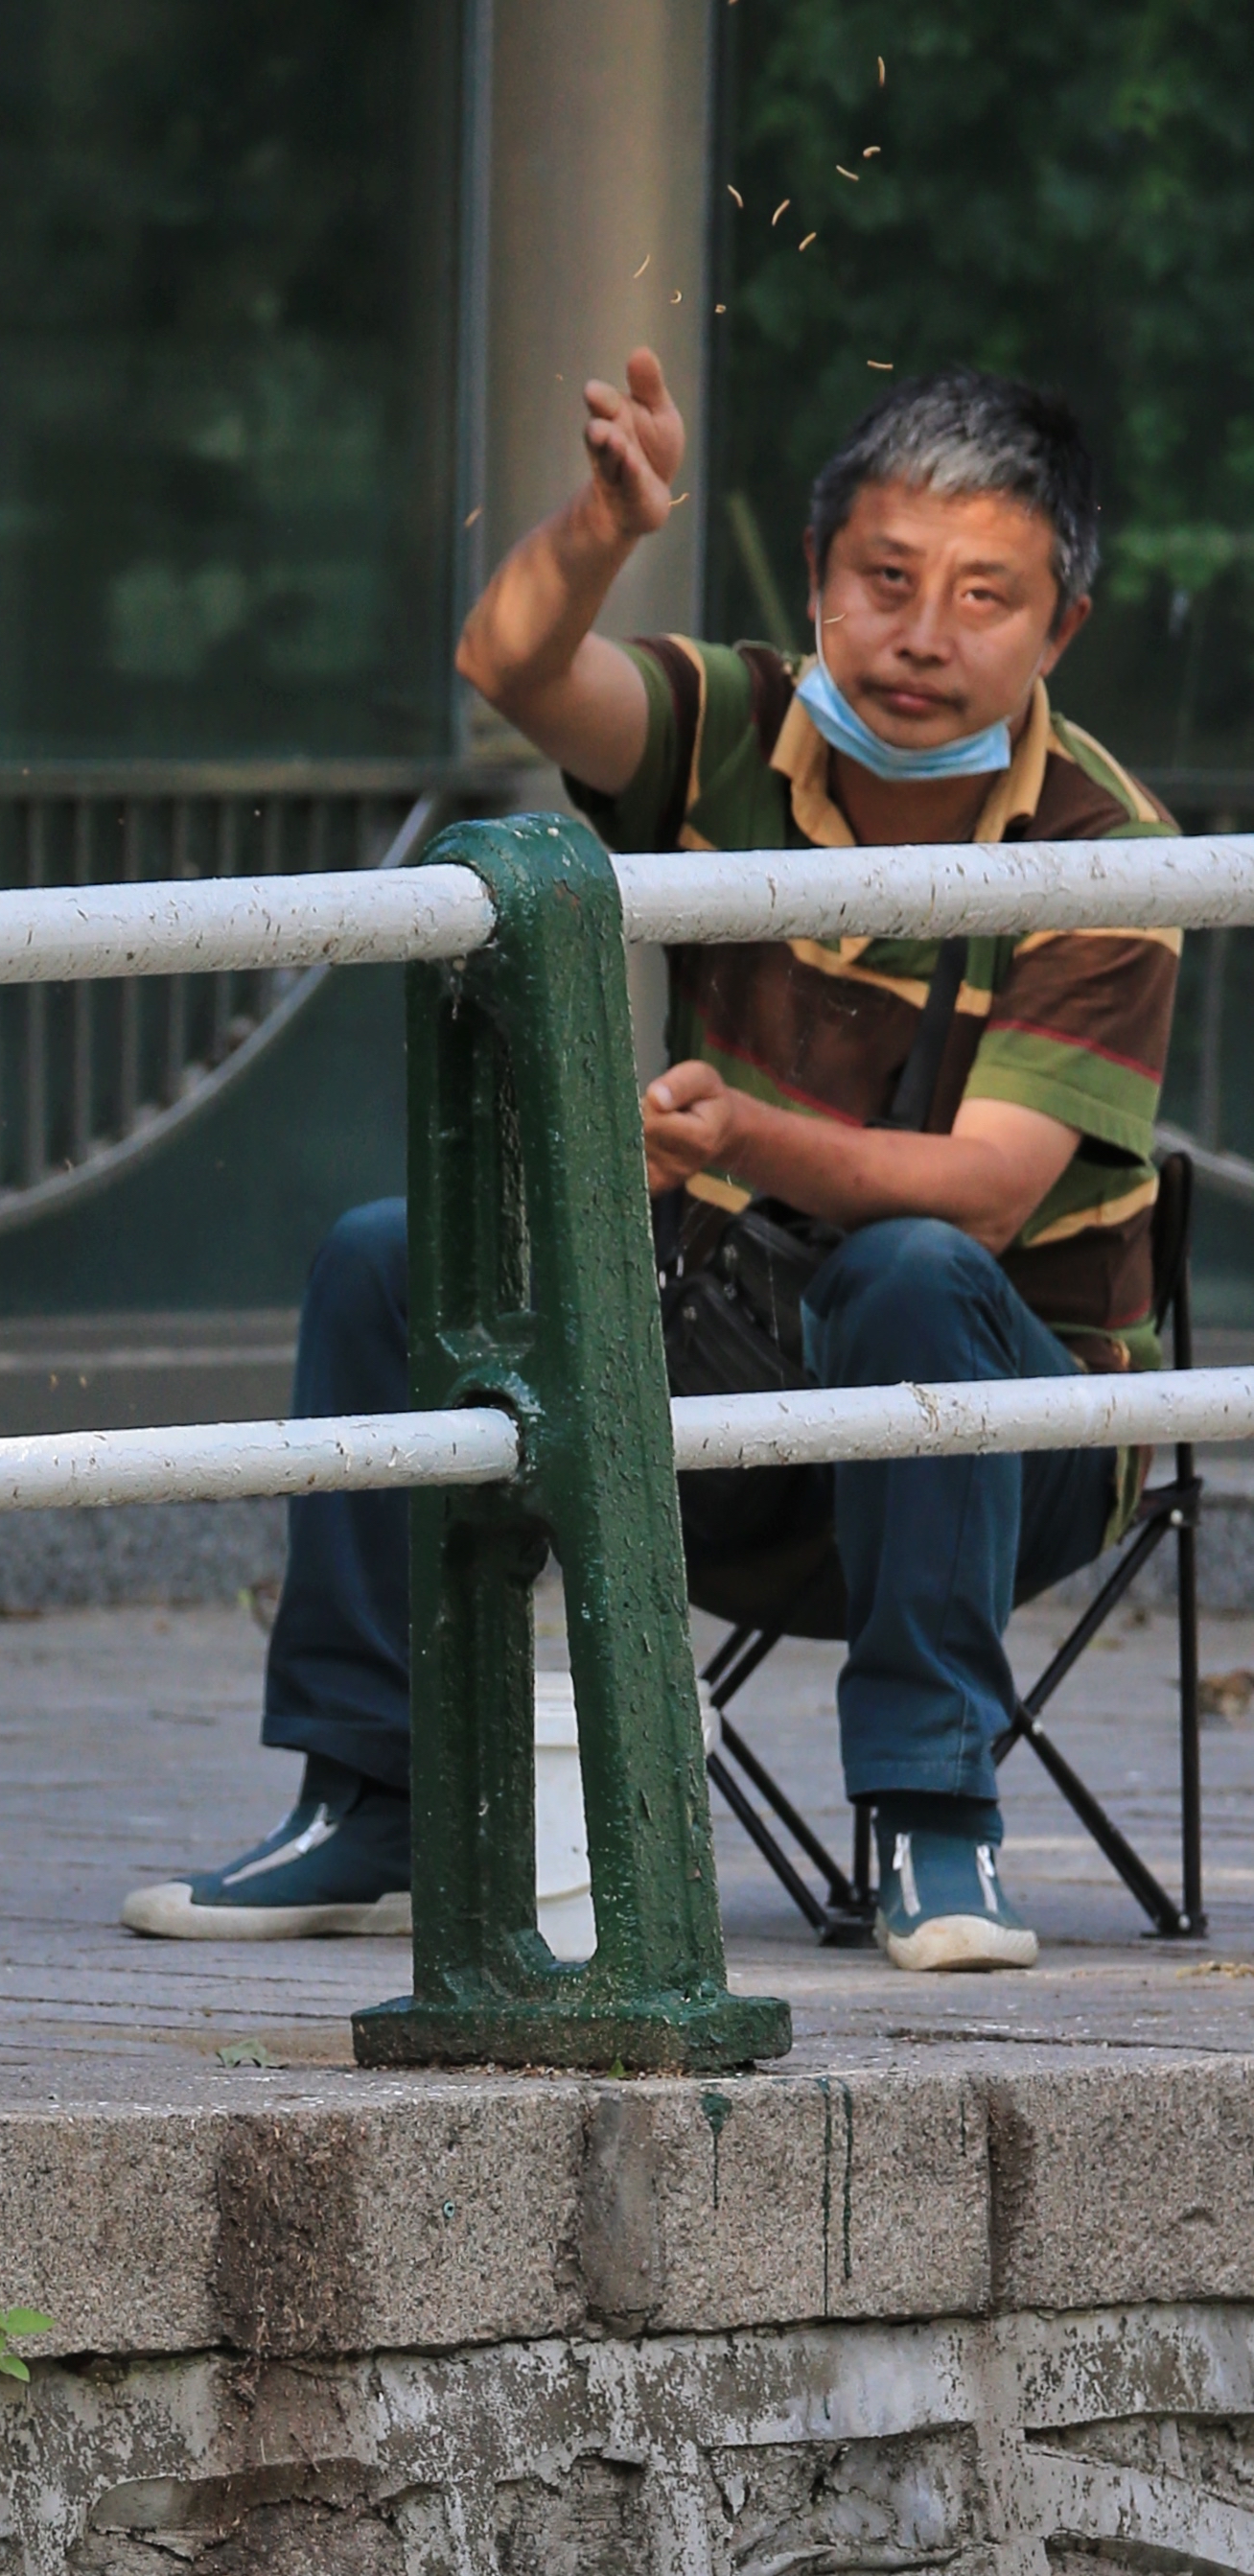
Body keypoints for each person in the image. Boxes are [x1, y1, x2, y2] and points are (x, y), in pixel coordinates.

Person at [123, 354, 1180, 1976]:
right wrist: (609, 524)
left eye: (984, 597)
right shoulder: (739, 726)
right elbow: (511, 661)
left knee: (912, 1270)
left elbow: (984, 1194)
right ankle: (377, 1800)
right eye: (883, 581)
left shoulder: (1107, 856)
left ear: (1061, 631)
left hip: (1009, 1434)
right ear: (818, 583)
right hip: (729, 1367)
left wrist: (745, 1138)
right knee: (391, 1258)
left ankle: (932, 1818)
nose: (921, 635)